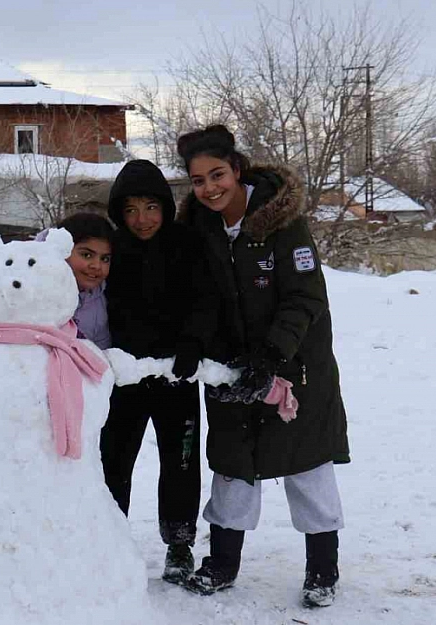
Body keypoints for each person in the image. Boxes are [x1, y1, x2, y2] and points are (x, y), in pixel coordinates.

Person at [174, 125, 349, 608]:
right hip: (231, 368)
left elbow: (305, 297)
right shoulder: (200, 229)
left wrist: (271, 357)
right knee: (232, 464)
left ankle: (322, 571)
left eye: (217, 175)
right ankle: (222, 564)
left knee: (307, 466)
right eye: (198, 180)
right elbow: (201, 298)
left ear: (237, 169)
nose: (209, 188)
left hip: (297, 368)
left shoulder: (281, 222)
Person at [101, 159, 218, 584]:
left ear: (165, 207)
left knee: (180, 460)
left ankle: (180, 543)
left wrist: (193, 342)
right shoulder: (112, 250)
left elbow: (206, 301)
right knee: (113, 461)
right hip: (124, 379)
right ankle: (108, 540)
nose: (141, 219)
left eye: (150, 206)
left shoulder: (187, 244)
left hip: (176, 376)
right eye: (130, 209)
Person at [35, 212, 115, 348]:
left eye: (105, 259)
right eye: (87, 255)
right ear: (62, 250)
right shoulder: (34, 288)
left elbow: (102, 350)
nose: (97, 265)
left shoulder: (98, 300)